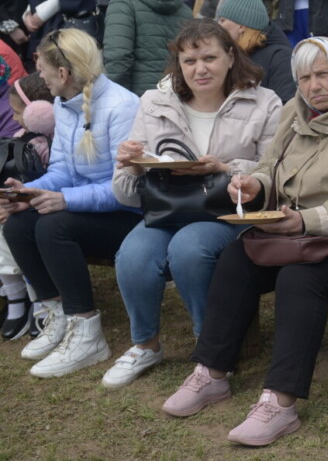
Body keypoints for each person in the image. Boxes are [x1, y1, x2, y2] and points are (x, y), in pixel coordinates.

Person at [161, 37, 328, 446]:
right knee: (237, 258)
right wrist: (255, 184)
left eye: (322, 75)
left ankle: (280, 403)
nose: (313, 86)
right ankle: (211, 373)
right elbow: (270, 165)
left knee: (299, 279)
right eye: (304, 78)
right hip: (299, 233)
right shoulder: (295, 110)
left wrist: (305, 220)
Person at [105, 19, 281, 388]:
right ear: (179, 65)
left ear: (230, 57)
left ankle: (211, 347)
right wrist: (132, 164)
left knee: (189, 248)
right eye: (189, 61)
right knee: (133, 254)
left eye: (209, 58)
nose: (200, 69)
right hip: (169, 208)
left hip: (229, 211)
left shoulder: (264, 102)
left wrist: (225, 168)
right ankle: (145, 344)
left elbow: (275, 172)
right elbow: (124, 193)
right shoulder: (155, 102)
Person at [2, 28, 140, 378]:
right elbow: (62, 169)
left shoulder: (122, 106)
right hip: (86, 210)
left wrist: (64, 200)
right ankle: (57, 314)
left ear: (63, 73)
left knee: (53, 225)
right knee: (19, 223)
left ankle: (87, 331)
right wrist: (28, 193)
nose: (40, 77)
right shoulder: (64, 104)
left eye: (43, 70)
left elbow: (124, 189)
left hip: (130, 218)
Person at [0, 73, 54, 340]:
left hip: (43, 205)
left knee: (14, 227)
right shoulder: (21, 138)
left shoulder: (51, 143)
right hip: (22, 202)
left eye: (19, 112)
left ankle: (37, 299)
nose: (14, 118)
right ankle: (15, 296)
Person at [103, 0, 194, 96]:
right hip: (177, 98)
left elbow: (118, 57)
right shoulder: (186, 11)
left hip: (136, 100)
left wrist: (117, 97)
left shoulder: (122, 2)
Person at [217, 0, 297, 102]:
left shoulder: (280, 57)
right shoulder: (230, 54)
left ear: (241, 27)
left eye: (222, 20)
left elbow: (286, 103)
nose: (218, 25)